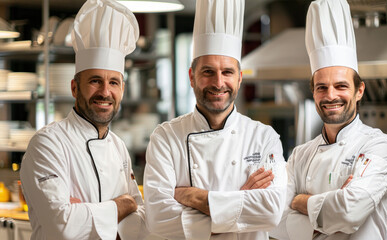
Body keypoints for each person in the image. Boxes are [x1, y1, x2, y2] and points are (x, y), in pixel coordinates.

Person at [143, 0, 287, 239]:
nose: (219, 83)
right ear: (191, 76)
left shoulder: (264, 137)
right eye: (208, 72)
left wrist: (194, 197)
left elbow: (271, 212)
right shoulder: (166, 137)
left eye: (227, 72)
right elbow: (157, 218)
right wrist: (239, 199)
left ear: (239, 78)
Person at [270, 0, 387, 239]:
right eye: (322, 87)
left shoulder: (379, 146)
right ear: (313, 92)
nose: (330, 96)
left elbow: (348, 212)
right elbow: (274, 219)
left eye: (341, 86)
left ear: (359, 90)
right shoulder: (301, 154)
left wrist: (298, 201)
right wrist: (328, 210)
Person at [20, 0, 149, 239]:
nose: (105, 92)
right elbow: (62, 226)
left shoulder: (118, 147)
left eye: (114, 83)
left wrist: (84, 213)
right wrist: (123, 205)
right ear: (74, 87)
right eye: (95, 81)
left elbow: (143, 224)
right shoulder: (48, 144)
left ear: (122, 89)